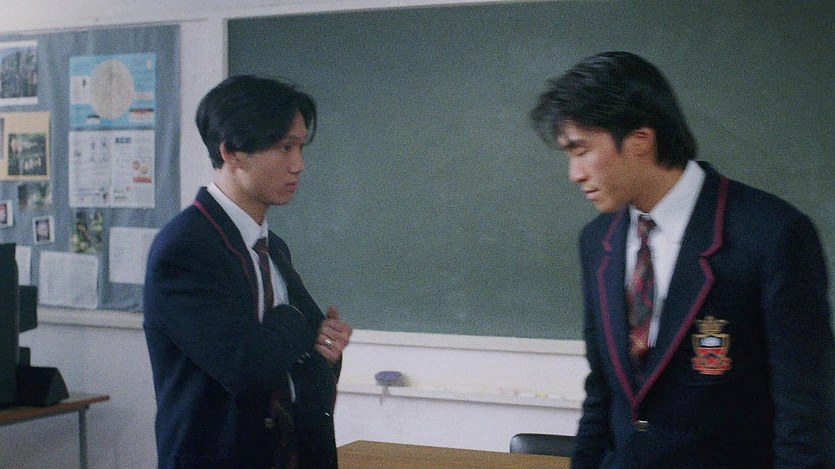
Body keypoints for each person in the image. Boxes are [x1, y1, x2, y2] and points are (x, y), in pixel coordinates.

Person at [530, 51, 835, 468]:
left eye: (581, 151)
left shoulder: (771, 233)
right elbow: (603, 391)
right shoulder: (597, 241)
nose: (574, 173)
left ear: (640, 140)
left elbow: (806, 408)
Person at [143, 75, 353, 469]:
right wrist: (294, 322)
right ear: (232, 152)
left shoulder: (272, 246)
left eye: (301, 147)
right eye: (285, 147)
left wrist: (325, 347)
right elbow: (247, 366)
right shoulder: (186, 249)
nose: (299, 165)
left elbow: (301, 351)